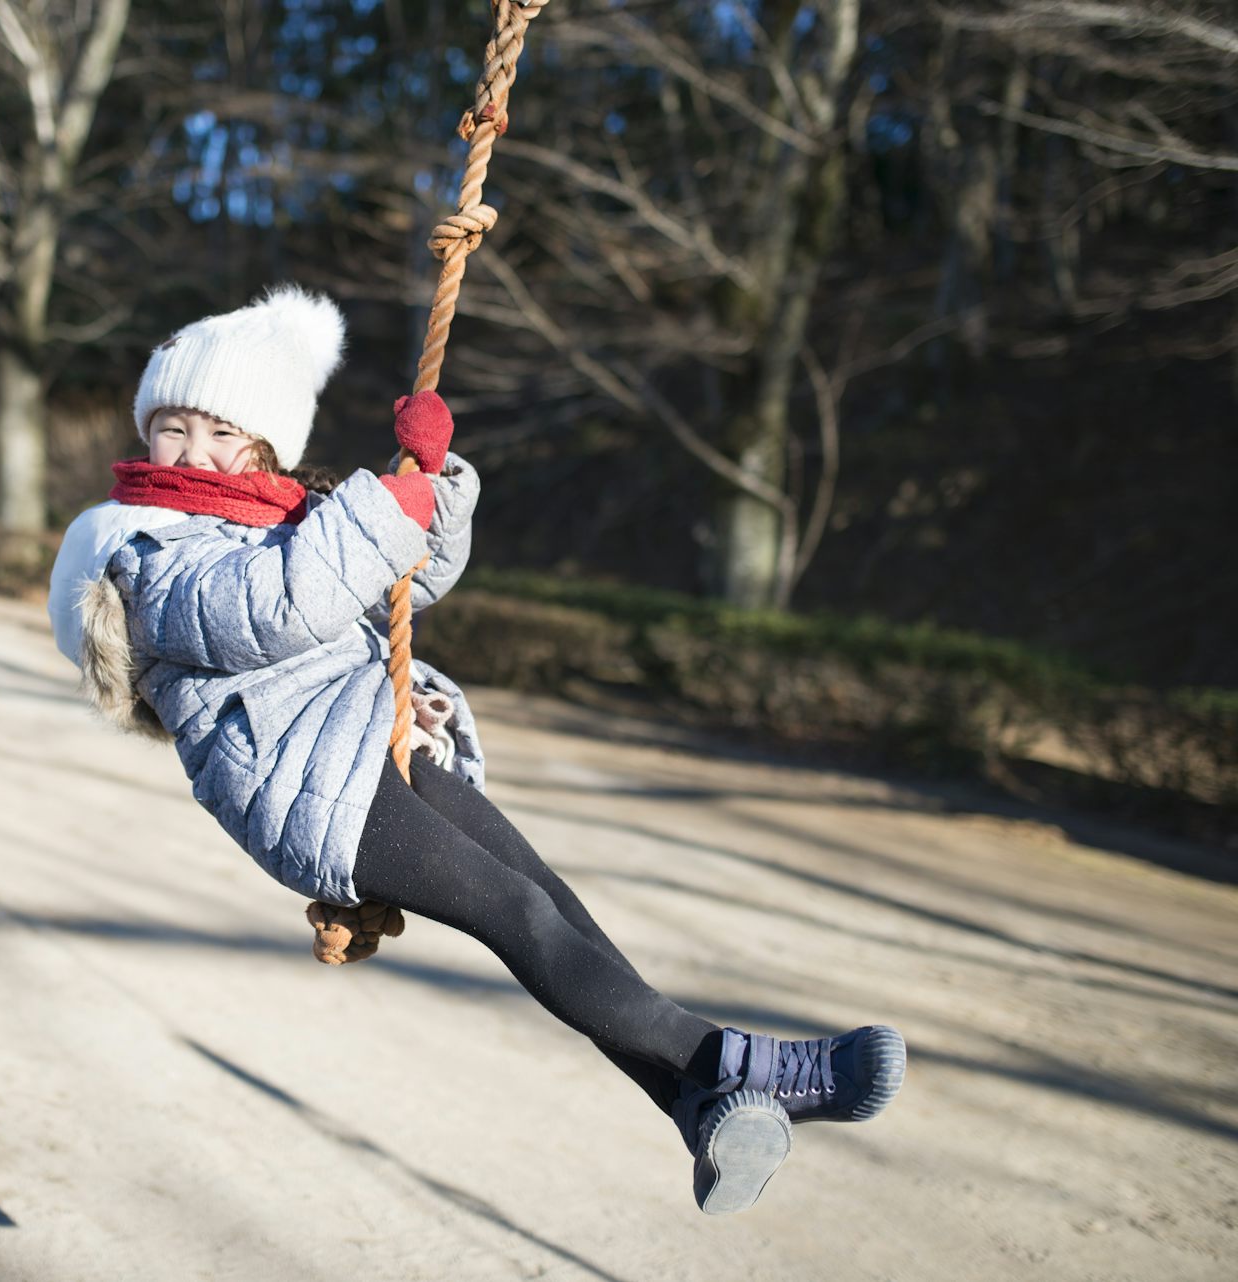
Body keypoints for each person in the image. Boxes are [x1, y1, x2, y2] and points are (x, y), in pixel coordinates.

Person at [47, 286, 905, 1214]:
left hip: (373, 743)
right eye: (172, 428)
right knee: (511, 912)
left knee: (549, 901)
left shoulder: (287, 519)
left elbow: (399, 585)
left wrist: (434, 485)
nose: (192, 452)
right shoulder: (148, 552)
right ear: (146, 432)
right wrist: (382, 504)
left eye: (220, 434)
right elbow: (274, 604)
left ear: (260, 446)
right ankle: (759, 1067)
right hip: (302, 785)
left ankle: (701, 1110)